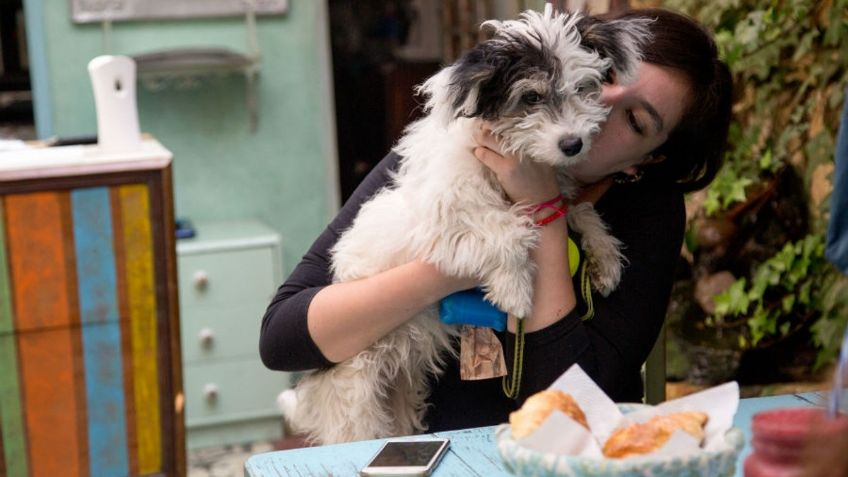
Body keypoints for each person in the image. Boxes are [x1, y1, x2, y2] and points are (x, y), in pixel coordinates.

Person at [259, 7, 733, 434]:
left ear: (646, 162)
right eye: (601, 76)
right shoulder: (454, 146)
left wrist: (543, 212)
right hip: (422, 447)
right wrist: (452, 267)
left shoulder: (648, 213)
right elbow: (283, 340)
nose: (597, 106)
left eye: (635, 121)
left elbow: (573, 416)